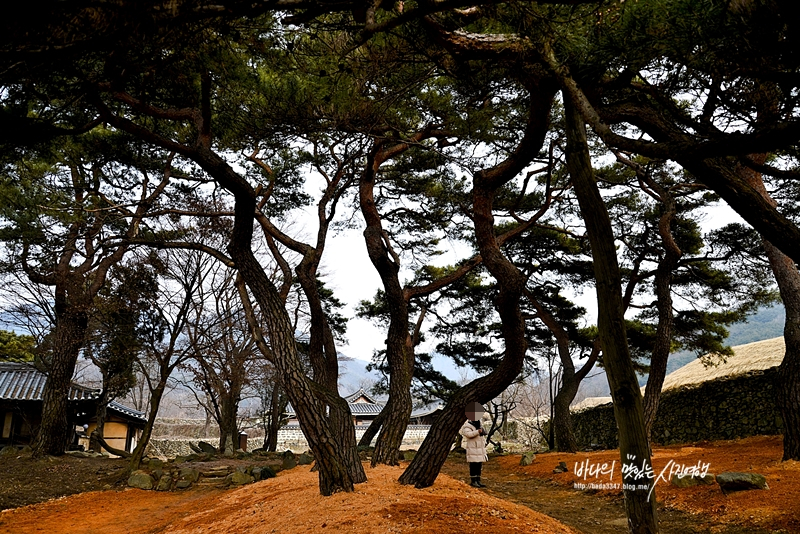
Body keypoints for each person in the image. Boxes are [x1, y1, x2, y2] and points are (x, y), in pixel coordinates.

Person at [460, 401, 488, 488]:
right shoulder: (467, 425)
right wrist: (477, 432)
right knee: (473, 465)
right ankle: (473, 481)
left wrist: (482, 432)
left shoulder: (479, 423)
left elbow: (486, 417)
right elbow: (468, 435)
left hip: (479, 447)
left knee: (479, 465)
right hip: (473, 447)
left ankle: (478, 480)